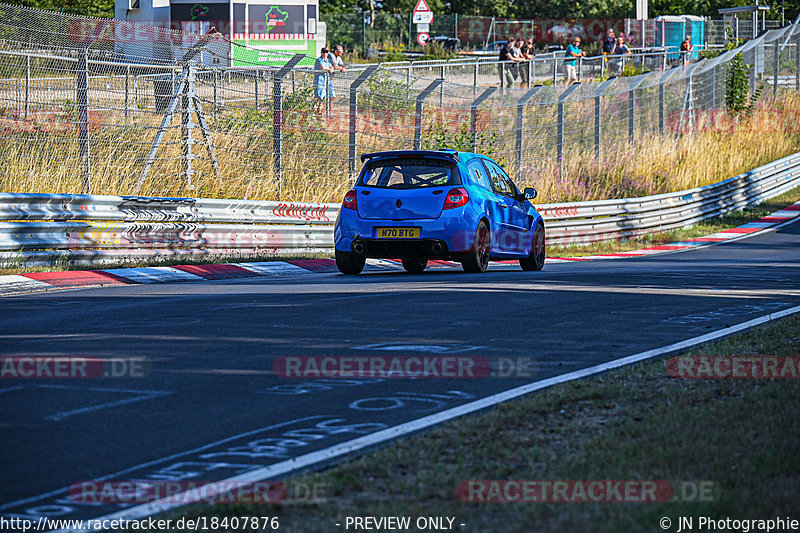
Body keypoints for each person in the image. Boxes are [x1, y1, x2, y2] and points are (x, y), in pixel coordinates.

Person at [313, 47, 335, 112]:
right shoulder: (319, 60)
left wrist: (332, 68)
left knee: (322, 98)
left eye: (326, 52)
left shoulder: (327, 61)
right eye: (323, 52)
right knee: (318, 98)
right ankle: (315, 112)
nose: (325, 53)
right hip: (318, 81)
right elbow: (322, 67)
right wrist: (330, 69)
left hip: (324, 82)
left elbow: (332, 66)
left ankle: (319, 113)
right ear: (321, 52)